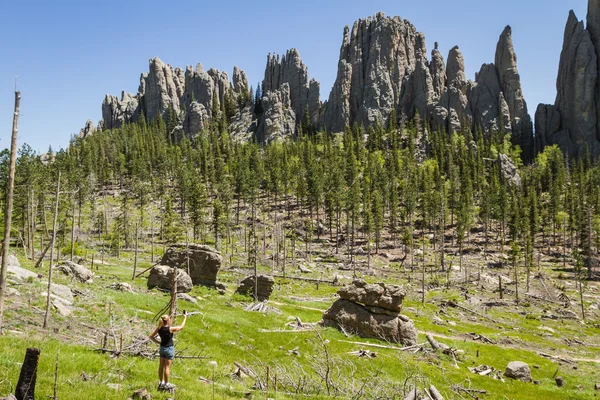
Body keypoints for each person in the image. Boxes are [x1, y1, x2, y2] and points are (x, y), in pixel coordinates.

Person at [149, 310, 187, 390]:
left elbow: (151, 336)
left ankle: (161, 382)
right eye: (169, 319)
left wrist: (158, 342)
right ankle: (166, 383)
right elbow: (181, 327)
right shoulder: (170, 329)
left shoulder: (159, 328)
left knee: (161, 366)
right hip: (169, 348)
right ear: (167, 321)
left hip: (162, 348)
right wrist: (185, 317)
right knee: (167, 367)